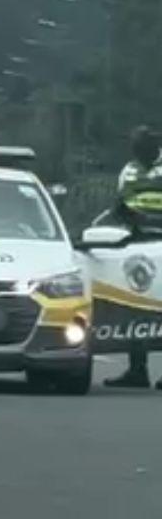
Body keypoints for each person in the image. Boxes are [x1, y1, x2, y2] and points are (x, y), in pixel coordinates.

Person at [106, 125, 162, 389]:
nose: (139, 148)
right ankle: (137, 370)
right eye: (136, 143)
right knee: (135, 306)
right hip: (137, 243)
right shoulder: (128, 170)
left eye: (145, 143)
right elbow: (121, 204)